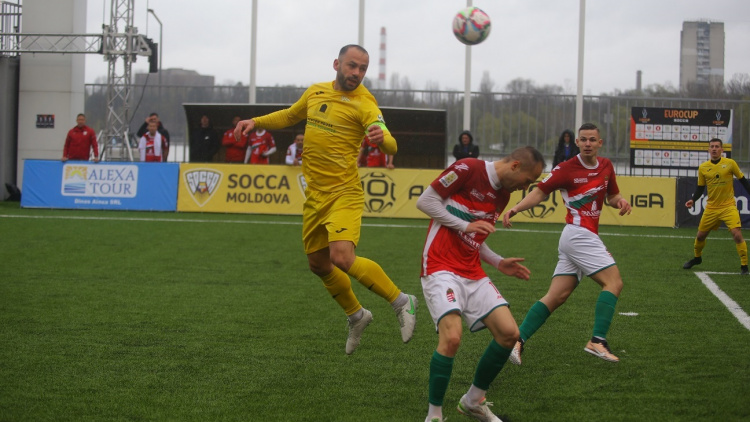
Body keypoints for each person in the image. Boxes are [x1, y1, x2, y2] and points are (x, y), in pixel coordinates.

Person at [234, 44, 417, 355]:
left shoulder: (365, 103)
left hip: (344, 193)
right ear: (337, 64)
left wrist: (381, 139)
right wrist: (257, 122)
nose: (357, 73)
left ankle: (401, 300)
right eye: (352, 66)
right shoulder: (316, 92)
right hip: (315, 196)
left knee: (342, 258)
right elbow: (291, 115)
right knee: (318, 264)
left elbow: (390, 143)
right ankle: (357, 315)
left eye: (362, 68)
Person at [418, 147, 545, 422]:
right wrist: (464, 226)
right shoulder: (467, 169)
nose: (526, 188)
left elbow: (477, 237)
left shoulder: (503, 195)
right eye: (527, 180)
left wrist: (499, 262)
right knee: (451, 338)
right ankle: (434, 416)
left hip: (472, 271)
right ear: (514, 166)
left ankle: (473, 401)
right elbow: (425, 202)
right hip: (440, 266)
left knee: (509, 333)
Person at [502, 122, 632, 364]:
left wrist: (621, 201)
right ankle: (598, 341)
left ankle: (517, 340)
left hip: (578, 237)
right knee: (614, 282)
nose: (588, 144)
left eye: (592, 140)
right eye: (583, 139)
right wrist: (516, 208)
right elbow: (540, 191)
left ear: (600, 143)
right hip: (579, 234)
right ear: (577, 143)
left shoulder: (606, 166)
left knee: (556, 296)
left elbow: (612, 196)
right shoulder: (566, 169)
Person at [683, 138, 750, 275]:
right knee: (700, 236)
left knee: (737, 235)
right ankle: (697, 258)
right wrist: (693, 200)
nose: (714, 149)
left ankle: (744, 266)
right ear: (709, 149)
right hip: (711, 208)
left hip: (728, 206)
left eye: (717, 146)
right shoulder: (703, 167)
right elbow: (700, 188)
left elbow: (743, 181)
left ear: (722, 150)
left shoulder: (730, 164)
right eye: (712, 146)